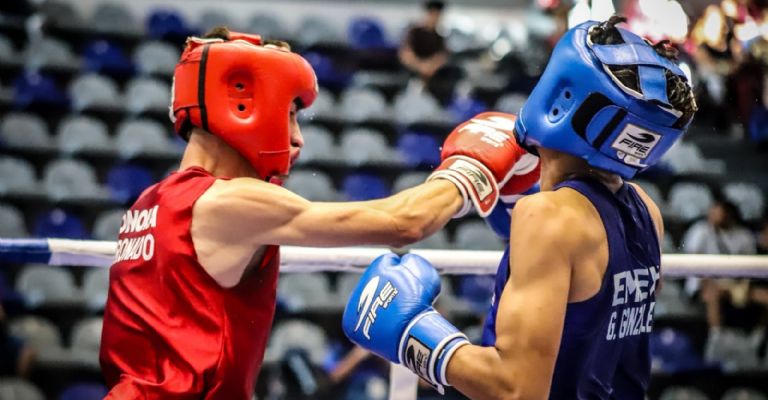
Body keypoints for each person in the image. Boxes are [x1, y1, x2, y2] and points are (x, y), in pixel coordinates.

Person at [98, 27, 540, 399]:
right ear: (242, 104)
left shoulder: (149, 202)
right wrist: (474, 168)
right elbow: (404, 223)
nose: (297, 139)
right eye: (289, 114)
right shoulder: (225, 203)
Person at [343, 16, 698, 399]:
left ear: (561, 97)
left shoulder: (549, 217)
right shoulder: (646, 211)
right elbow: (592, 324)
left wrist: (413, 332)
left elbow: (516, 390)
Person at [399, 1, 449, 81]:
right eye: (433, 14)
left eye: (438, 15)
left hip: (432, 74)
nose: (435, 18)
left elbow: (441, 57)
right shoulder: (414, 32)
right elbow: (406, 55)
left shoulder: (439, 37)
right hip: (413, 72)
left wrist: (431, 67)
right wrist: (421, 66)